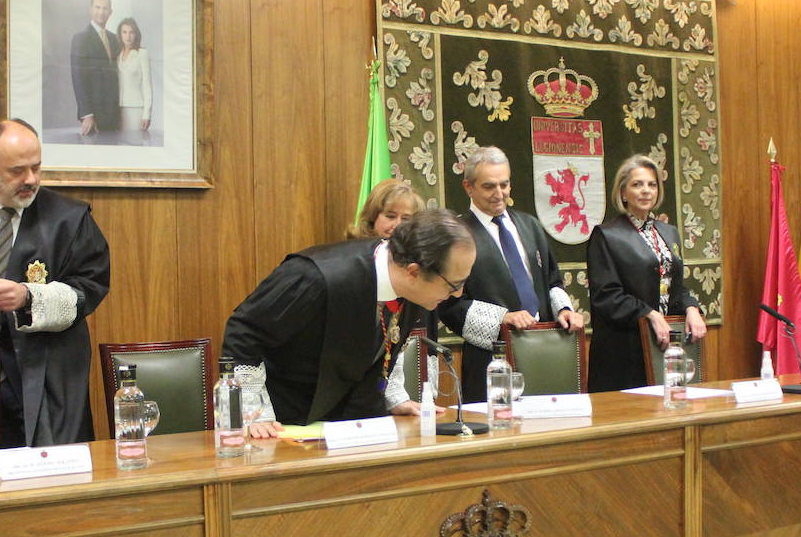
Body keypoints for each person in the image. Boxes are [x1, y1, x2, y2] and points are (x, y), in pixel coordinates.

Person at [0, 119, 111, 447]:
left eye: (36, 168)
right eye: (17, 171)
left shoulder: (70, 219)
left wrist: (30, 297)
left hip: (50, 383)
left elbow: (91, 288)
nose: (31, 180)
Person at [223, 209, 475, 436]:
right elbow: (245, 331)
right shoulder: (315, 277)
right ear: (413, 272)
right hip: (285, 423)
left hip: (352, 422)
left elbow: (383, 346)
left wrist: (394, 398)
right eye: (454, 284)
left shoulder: (416, 291)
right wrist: (254, 413)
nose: (456, 294)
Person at [438, 147, 583, 402]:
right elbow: (449, 307)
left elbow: (552, 281)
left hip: (545, 354)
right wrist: (503, 318)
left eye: (504, 185)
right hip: (491, 363)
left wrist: (564, 310)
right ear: (468, 187)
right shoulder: (456, 236)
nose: (499, 194)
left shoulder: (530, 225)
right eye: (489, 186)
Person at [586, 154, 706, 392]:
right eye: (637, 184)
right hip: (624, 352)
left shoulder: (669, 232)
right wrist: (649, 314)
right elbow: (606, 296)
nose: (646, 191)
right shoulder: (607, 235)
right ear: (623, 192)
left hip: (664, 347)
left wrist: (691, 307)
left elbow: (675, 286)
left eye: (651, 184)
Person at [70, 0, 121, 139]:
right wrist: (87, 114)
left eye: (105, 8)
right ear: (90, 9)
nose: (101, 12)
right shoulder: (80, 38)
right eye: (97, 7)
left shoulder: (114, 38)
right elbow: (78, 78)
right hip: (94, 114)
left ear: (110, 12)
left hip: (114, 112)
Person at [115, 16, 153, 142]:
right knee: (120, 146)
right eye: (124, 32)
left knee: (134, 144)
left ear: (136, 34)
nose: (128, 36)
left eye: (131, 32)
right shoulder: (118, 54)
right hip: (117, 109)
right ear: (120, 35)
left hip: (135, 109)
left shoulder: (142, 53)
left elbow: (147, 86)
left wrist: (146, 114)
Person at [348, 178, 424, 240]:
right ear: (372, 217)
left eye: (405, 219)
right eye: (391, 216)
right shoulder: (354, 254)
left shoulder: (419, 255)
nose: (398, 225)